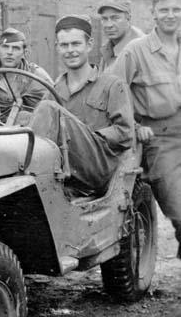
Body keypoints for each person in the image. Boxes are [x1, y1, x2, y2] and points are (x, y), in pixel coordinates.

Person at [113, 0, 181, 258]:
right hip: (158, 140)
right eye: (164, 9)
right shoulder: (136, 50)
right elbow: (113, 91)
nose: (171, 15)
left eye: (176, 9)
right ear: (153, 12)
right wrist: (135, 126)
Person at [30, 14, 134, 193]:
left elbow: (125, 132)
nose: (70, 50)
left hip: (99, 168)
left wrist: (85, 136)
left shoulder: (111, 85)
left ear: (90, 45)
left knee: (47, 109)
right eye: (64, 45)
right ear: (57, 48)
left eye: (76, 43)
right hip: (63, 167)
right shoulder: (54, 90)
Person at [97, 0, 144, 73]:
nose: (109, 25)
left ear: (128, 18)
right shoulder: (108, 48)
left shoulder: (142, 49)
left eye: (115, 18)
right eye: (104, 19)